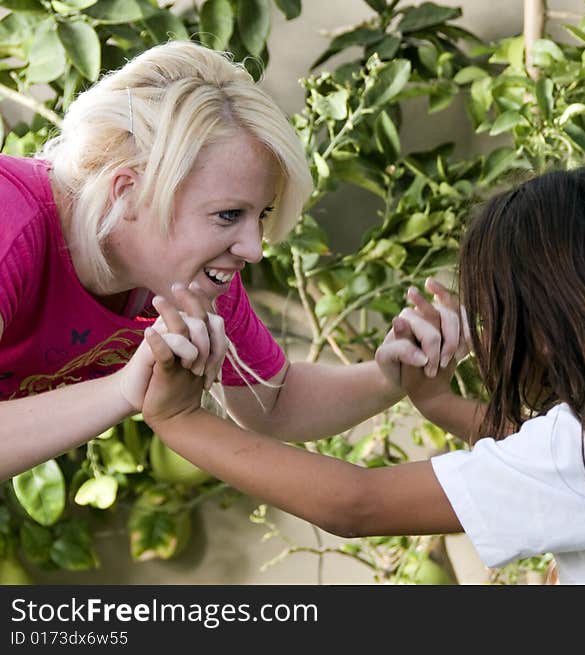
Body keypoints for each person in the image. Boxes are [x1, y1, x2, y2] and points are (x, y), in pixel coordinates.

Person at [139, 165, 585, 584]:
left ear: (542, 315)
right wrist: (437, 401)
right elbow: (570, 456)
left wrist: (179, 420)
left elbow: (357, 504)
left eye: (492, 305)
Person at [0, 40, 458, 481]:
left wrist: (390, 377)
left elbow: (275, 403)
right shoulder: (10, 220)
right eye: (228, 215)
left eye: (261, 215)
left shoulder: (189, 274)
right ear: (128, 192)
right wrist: (120, 391)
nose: (254, 249)